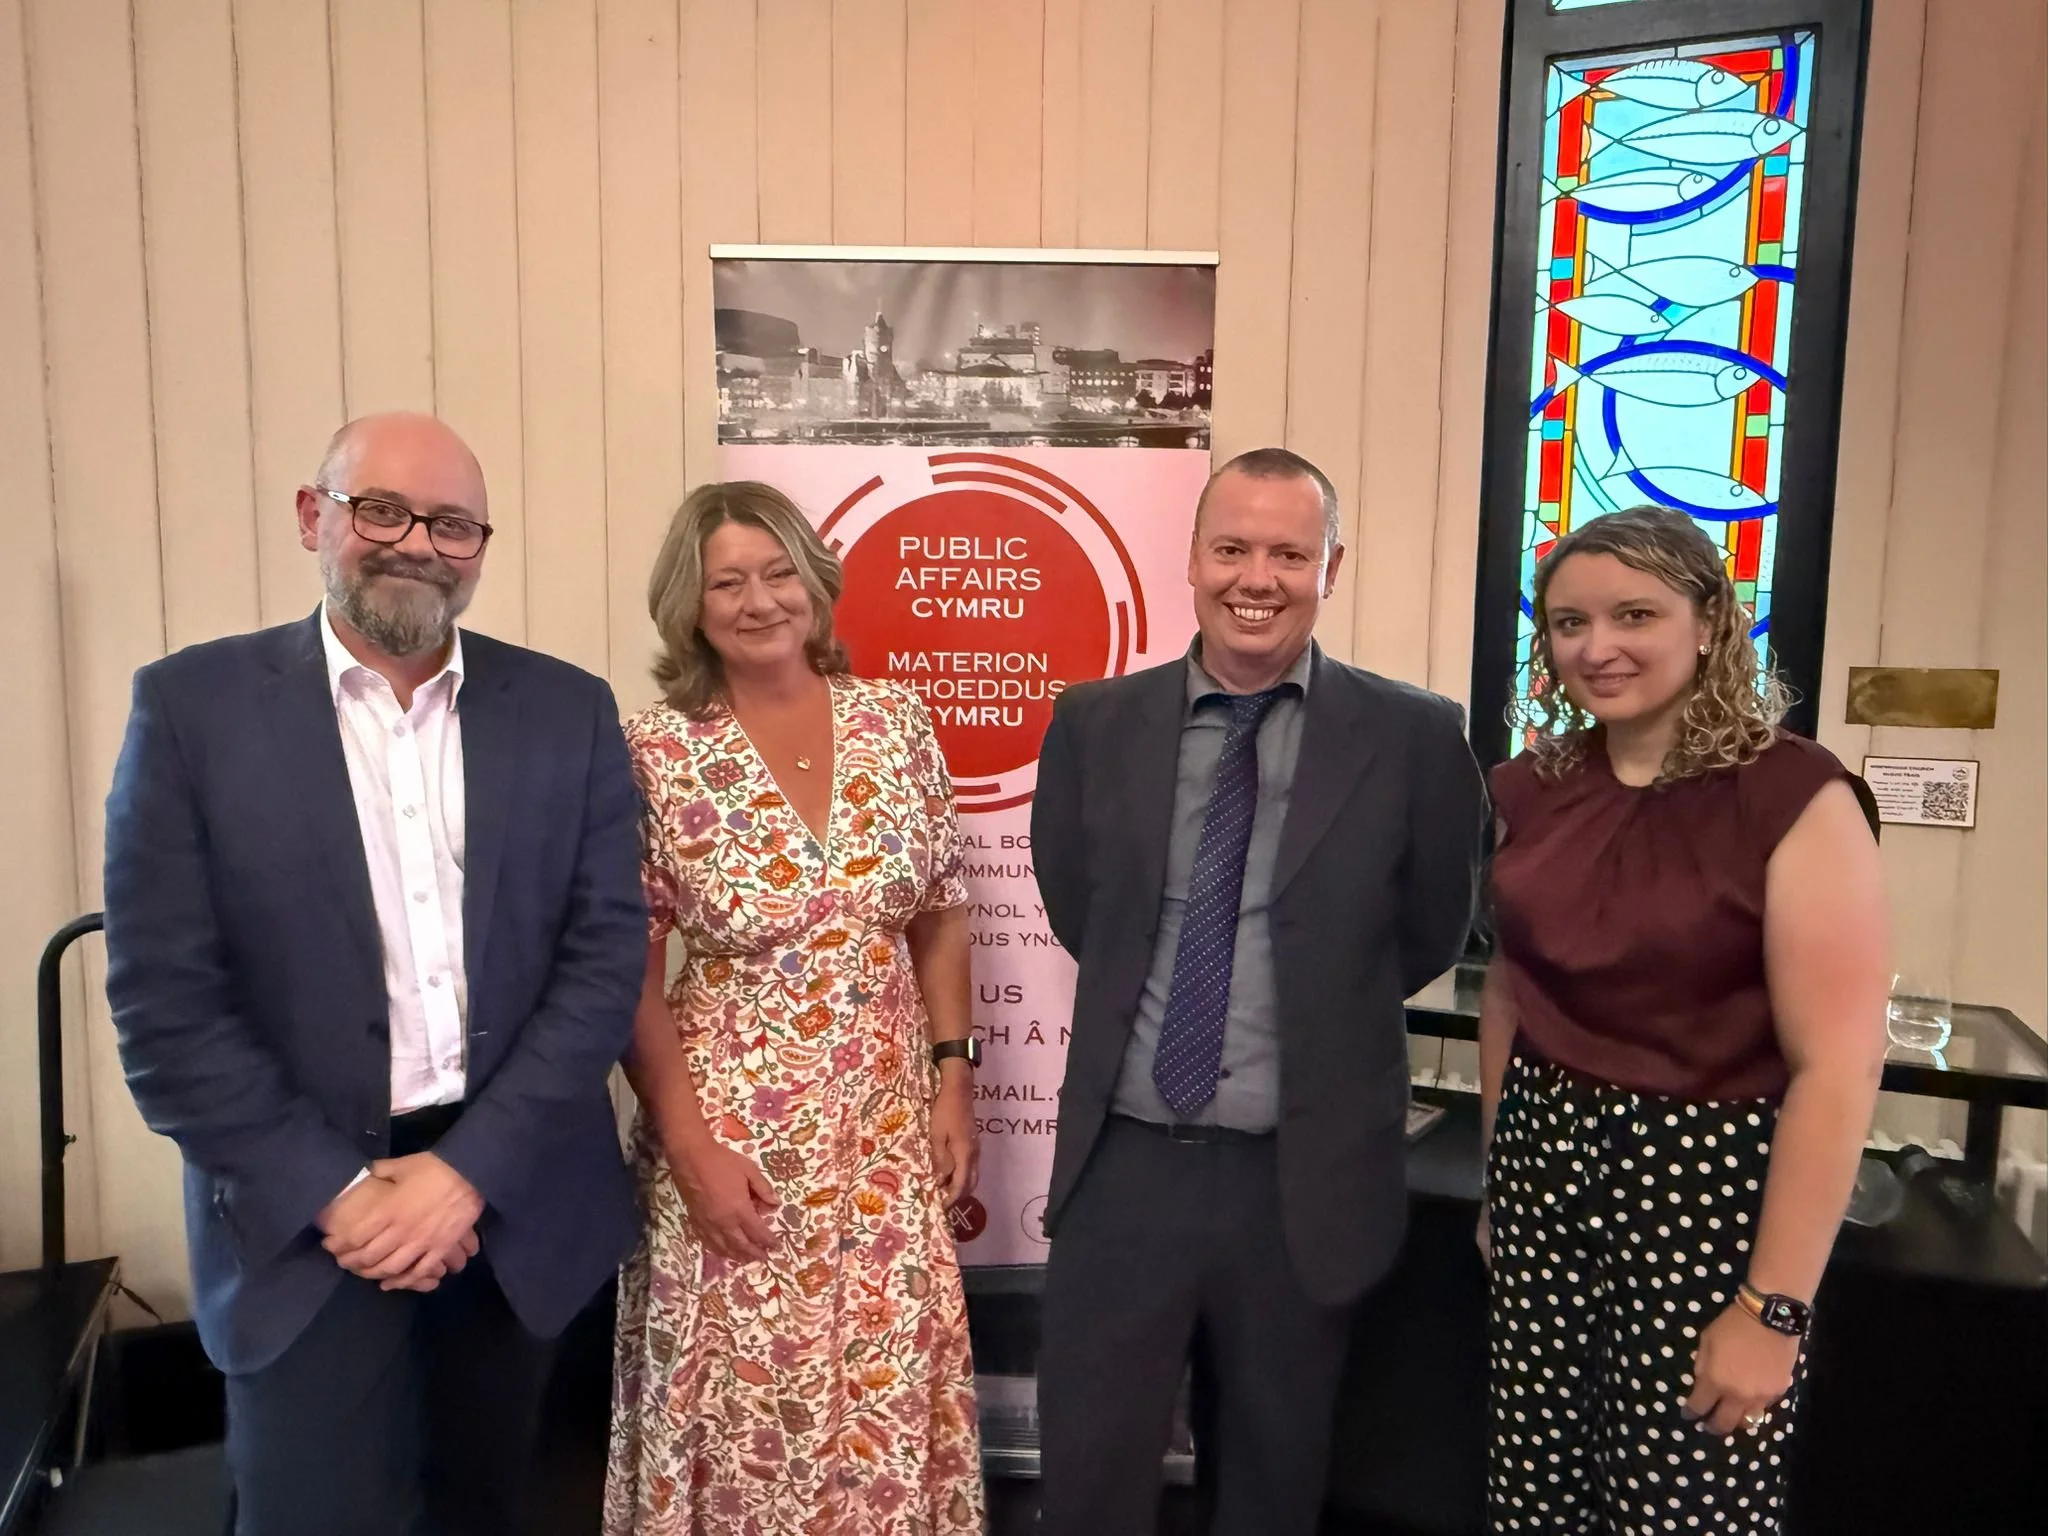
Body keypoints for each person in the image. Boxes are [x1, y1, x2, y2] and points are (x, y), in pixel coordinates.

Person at [102, 412, 648, 1536]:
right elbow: (166, 1008)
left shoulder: (568, 711)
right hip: (304, 1218)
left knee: (501, 1511)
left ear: (480, 547)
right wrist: (342, 1195)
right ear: (315, 516)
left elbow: (602, 963)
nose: (416, 545)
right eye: (382, 511)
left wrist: (464, 1177)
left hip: (517, 1207)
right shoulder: (192, 711)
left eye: (451, 524)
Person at [1029, 447, 1487, 1535]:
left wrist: (1317, 999)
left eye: (1288, 553)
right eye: (1232, 548)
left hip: (1302, 1179)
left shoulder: (1415, 735)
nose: (1256, 578)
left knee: (1273, 1485)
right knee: (1089, 1477)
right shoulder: (1093, 723)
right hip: (1124, 1167)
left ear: (1332, 567)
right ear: (1191, 557)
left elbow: (1432, 925)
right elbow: (1082, 906)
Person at [1478, 505, 1891, 1533]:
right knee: (1535, 1490)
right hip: (1541, 1174)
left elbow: (1837, 1068)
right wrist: (1497, 1183)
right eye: (1569, 623)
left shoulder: (1794, 795)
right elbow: (1509, 991)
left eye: (1634, 615)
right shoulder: (1530, 787)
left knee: (1681, 1502)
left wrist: (1773, 1309)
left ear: (1708, 623)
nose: (1596, 647)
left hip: (1705, 1196)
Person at [603, 481, 984, 1535]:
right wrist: (689, 1149)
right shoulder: (652, 751)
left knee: (880, 1384)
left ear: (814, 583)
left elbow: (942, 913)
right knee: (743, 1402)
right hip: (733, 1138)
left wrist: (954, 1080)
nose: (759, 600)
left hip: (884, 1132)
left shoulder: (895, 721)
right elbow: (629, 973)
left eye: (779, 573)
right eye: (728, 582)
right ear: (690, 605)